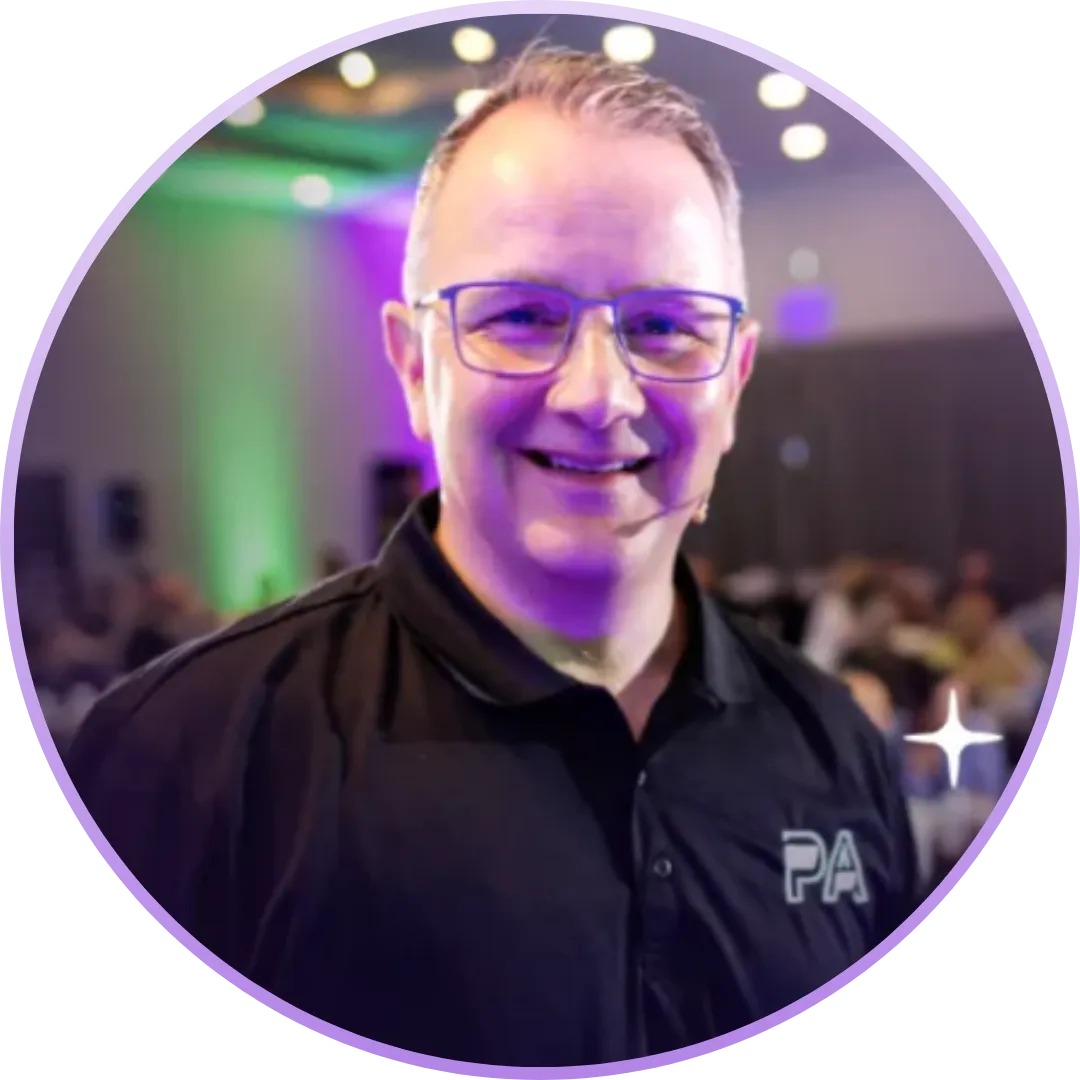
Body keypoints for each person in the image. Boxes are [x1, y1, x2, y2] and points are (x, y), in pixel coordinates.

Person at [66, 46, 918, 1069]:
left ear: (732, 382)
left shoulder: (835, 746)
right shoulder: (189, 755)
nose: (599, 396)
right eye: (522, 317)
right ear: (414, 366)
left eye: (663, 326)